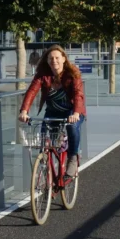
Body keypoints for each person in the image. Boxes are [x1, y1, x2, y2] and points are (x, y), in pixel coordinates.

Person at [19, 45, 86, 180]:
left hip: (72, 112)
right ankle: (44, 166)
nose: (54, 61)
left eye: (57, 58)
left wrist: (76, 114)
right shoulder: (43, 75)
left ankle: (73, 157)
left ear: (63, 59)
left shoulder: (72, 73)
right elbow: (32, 91)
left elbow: (78, 94)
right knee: (44, 139)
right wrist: (24, 111)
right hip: (52, 112)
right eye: (51, 58)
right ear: (47, 61)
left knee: (72, 128)